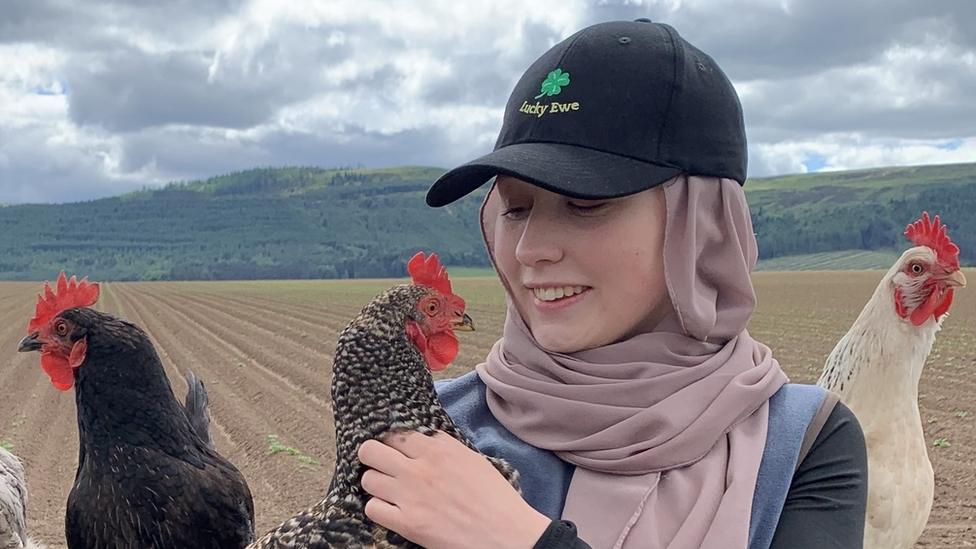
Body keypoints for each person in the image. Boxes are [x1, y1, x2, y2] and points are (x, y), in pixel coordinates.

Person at [356, 19, 868, 549]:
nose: (531, 249)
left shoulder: (801, 444)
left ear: (702, 225)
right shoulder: (422, 435)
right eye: (515, 208)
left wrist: (521, 541)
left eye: (584, 204)